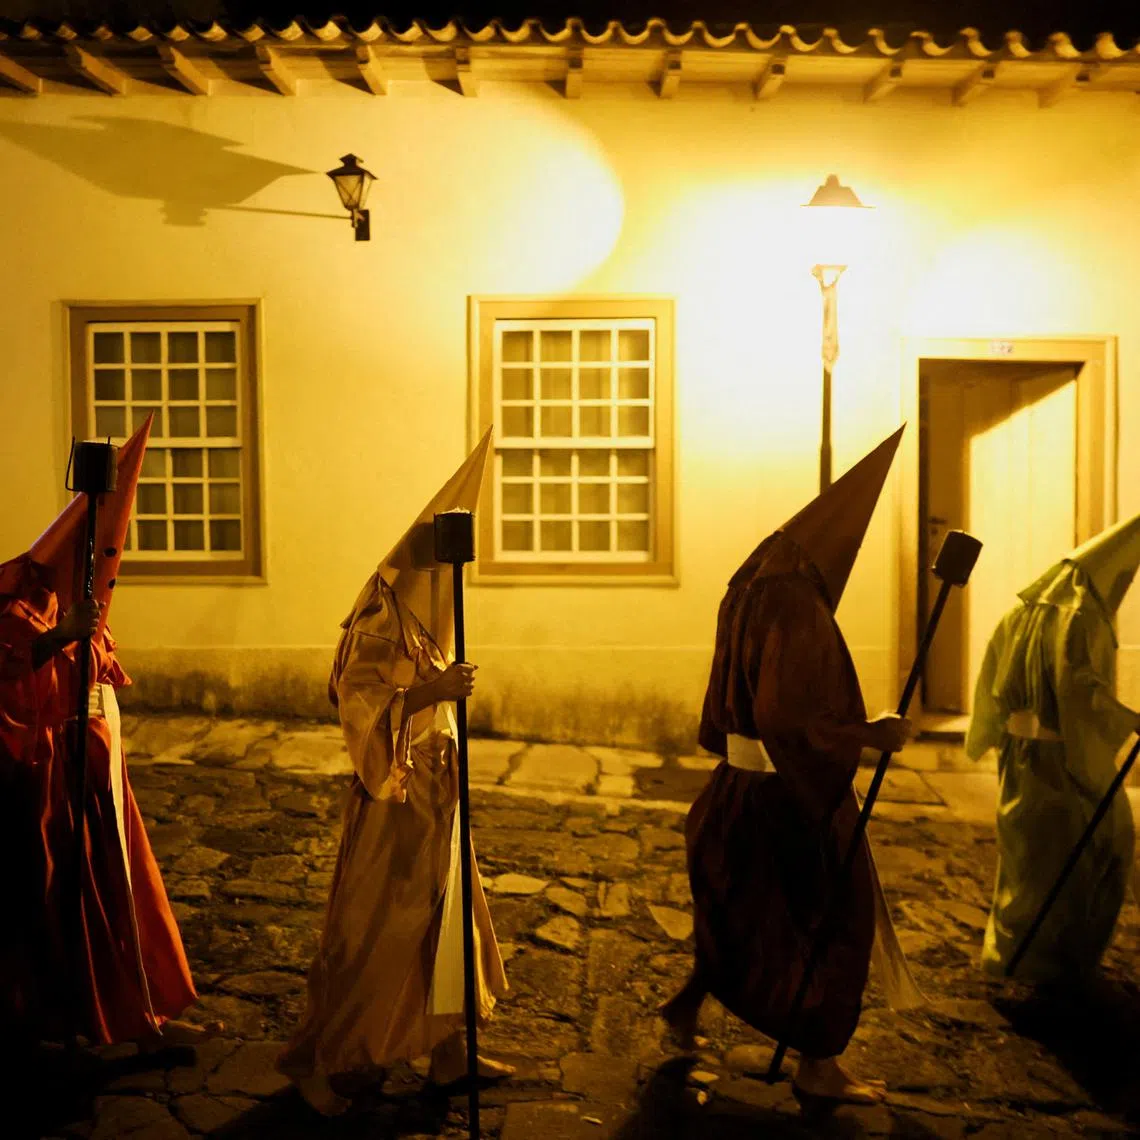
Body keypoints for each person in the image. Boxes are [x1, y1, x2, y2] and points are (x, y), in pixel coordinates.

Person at [660, 426, 923, 1108]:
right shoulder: (796, 605)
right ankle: (818, 1063)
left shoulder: (747, 585)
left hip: (737, 791)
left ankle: (687, 1008)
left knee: (738, 915)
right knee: (836, 921)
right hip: (785, 799)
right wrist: (873, 734)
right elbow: (790, 719)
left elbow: (733, 712)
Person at [278, 429, 511, 1116]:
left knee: (448, 919)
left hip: (435, 786)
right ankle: (316, 1060)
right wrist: (433, 696)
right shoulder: (383, 616)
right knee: (375, 931)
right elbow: (359, 707)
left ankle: (446, 1049)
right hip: (395, 799)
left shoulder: (420, 613)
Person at [0, 417, 199, 1054]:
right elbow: (10, 667)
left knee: (124, 894)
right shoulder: (23, 605)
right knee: (65, 903)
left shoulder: (87, 606)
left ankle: (143, 1013)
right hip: (53, 784)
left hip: (99, 775)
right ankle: (71, 1023)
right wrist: (59, 638)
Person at [966, 513, 1140, 982]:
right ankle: (1052, 967)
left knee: (1024, 859)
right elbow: (1079, 693)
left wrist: (990, 734)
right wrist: (1128, 722)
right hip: (1062, 762)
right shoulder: (1081, 618)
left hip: (1020, 756)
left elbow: (990, 681)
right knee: (1088, 853)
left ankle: (1010, 955)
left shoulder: (1020, 611)